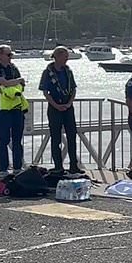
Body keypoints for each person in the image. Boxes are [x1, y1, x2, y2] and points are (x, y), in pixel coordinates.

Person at [39, 46, 81, 174]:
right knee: (56, 138)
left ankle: (74, 166)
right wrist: (56, 105)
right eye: (65, 56)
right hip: (54, 108)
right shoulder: (47, 72)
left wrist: (69, 103)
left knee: (72, 136)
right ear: (57, 56)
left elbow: (73, 89)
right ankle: (58, 166)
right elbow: (45, 92)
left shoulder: (68, 71)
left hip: (68, 107)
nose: (66, 59)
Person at [0, 44, 28, 176]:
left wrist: (17, 82)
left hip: (17, 107)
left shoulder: (13, 68)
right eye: (8, 54)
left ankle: (18, 167)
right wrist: (18, 81)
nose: (10, 57)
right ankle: (3, 169)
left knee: (17, 139)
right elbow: (4, 82)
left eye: (11, 54)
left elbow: (21, 85)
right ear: (0, 55)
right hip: (2, 109)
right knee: (4, 139)